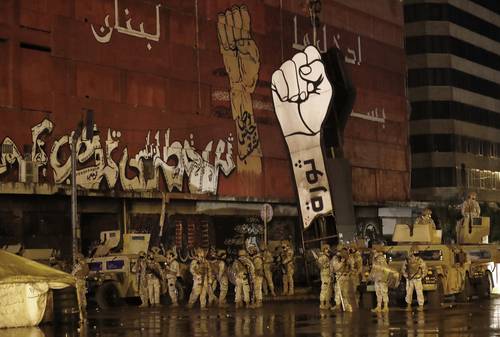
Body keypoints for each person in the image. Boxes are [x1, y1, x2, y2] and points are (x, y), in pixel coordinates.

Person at [402, 247, 427, 311]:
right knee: (409, 293)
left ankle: (420, 306)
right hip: (410, 279)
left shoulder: (419, 260)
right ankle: (409, 306)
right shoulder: (408, 260)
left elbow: (424, 268)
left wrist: (422, 276)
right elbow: (403, 268)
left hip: (417, 278)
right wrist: (406, 276)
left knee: (419, 292)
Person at [330, 246, 352, 312]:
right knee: (338, 292)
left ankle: (345, 306)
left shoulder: (348, 258)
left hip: (344, 277)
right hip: (339, 276)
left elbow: (351, 266)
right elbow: (335, 268)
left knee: (343, 292)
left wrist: (345, 261)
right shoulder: (336, 258)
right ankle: (338, 306)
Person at [71, 253, 89, 320]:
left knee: (80, 299)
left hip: (78, 282)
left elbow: (72, 274)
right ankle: (85, 314)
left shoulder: (78, 265)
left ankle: (82, 316)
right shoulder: (86, 265)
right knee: (83, 298)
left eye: (77, 258)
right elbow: (87, 273)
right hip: (83, 282)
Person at [317, 244, 332, 309]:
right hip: (325, 274)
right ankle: (322, 304)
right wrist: (325, 265)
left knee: (329, 290)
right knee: (324, 289)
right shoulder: (322, 257)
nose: (327, 250)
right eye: (326, 248)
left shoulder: (328, 256)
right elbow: (320, 266)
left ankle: (327, 303)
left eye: (328, 248)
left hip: (329, 274)